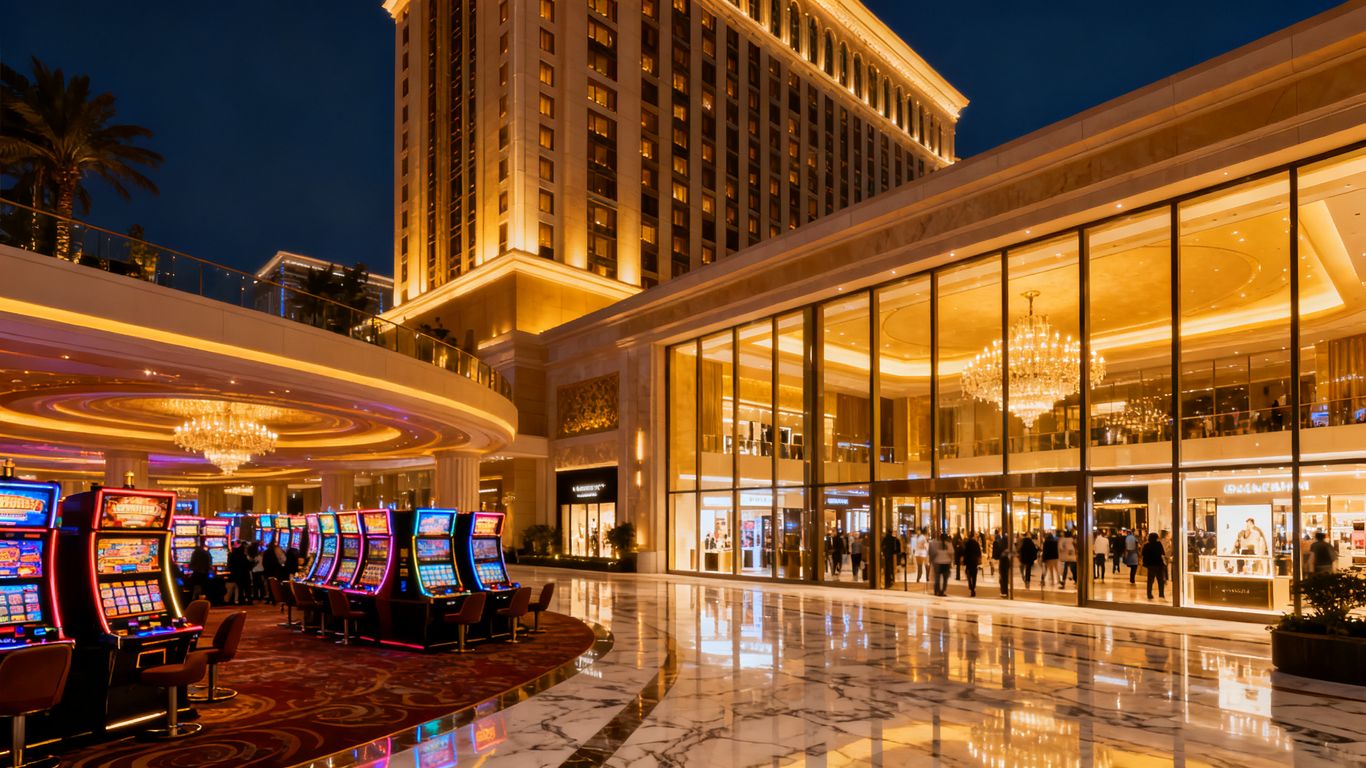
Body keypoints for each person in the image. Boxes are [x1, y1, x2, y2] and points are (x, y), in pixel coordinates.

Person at [1142, 532, 1168, 600]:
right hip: (1158, 564)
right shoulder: (1158, 544)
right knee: (1160, 580)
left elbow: (1143, 553)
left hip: (1150, 565)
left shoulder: (1146, 545)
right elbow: (1163, 553)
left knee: (1150, 580)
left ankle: (1149, 594)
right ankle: (1161, 594)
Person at [930, 532, 954, 596]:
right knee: (945, 579)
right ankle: (942, 591)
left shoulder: (936, 544)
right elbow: (951, 554)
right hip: (946, 563)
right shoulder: (949, 544)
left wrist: (932, 560)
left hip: (937, 562)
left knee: (937, 578)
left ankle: (937, 590)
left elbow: (933, 553)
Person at [227, 541, 251, 606]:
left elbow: (229, 565)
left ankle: (241, 600)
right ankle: (248, 600)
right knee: (246, 588)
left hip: (236, 573)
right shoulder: (243, 556)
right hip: (244, 573)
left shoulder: (232, 555)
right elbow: (247, 565)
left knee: (240, 588)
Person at [961, 533, 982, 597]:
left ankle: (970, 585)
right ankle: (973, 587)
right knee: (974, 575)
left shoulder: (967, 543)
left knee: (968, 573)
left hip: (968, 561)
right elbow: (979, 553)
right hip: (974, 561)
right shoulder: (976, 543)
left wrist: (963, 560)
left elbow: (965, 552)